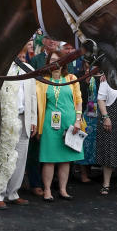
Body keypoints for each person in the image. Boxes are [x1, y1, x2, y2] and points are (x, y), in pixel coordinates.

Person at [35, 52, 84, 201]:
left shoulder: (71, 79)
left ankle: (63, 190)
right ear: (48, 62)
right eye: (52, 60)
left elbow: (78, 101)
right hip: (50, 125)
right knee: (49, 159)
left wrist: (77, 120)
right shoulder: (42, 81)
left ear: (64, 62)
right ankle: (48, 190)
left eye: (59, 60)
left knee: (65, 160)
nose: (56, 63)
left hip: (69, 124)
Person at [0, 56, 36, 209]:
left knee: (20, 157)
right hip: (7, 117)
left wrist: (33, 120)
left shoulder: (29, 69)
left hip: (24, 117)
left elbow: (33, 97)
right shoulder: (2, 66)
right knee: (4, 155)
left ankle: (13, 193)